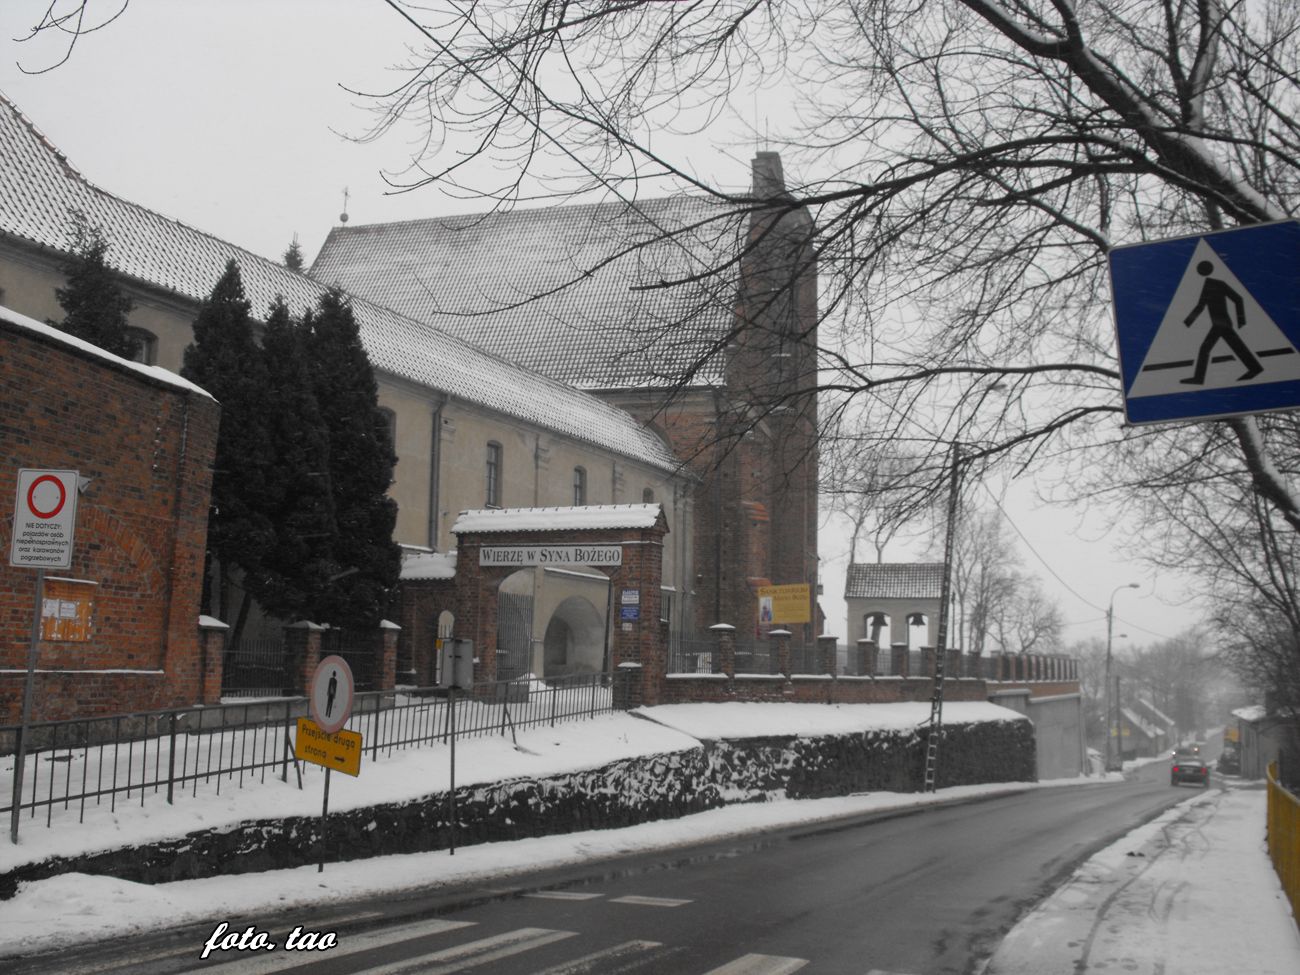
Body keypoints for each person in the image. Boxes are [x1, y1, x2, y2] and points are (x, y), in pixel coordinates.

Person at [1181, 260, 1262, 384]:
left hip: (1221, 323)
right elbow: (1201, 305)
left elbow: (1238, 299)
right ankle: (1255, 368)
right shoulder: (1211, 284)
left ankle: (1198, 378)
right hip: (1221, 323)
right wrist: (1187, 322)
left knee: (1205, 348)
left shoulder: (1212, 284)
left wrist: (1241, 320)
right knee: (1237, 347)